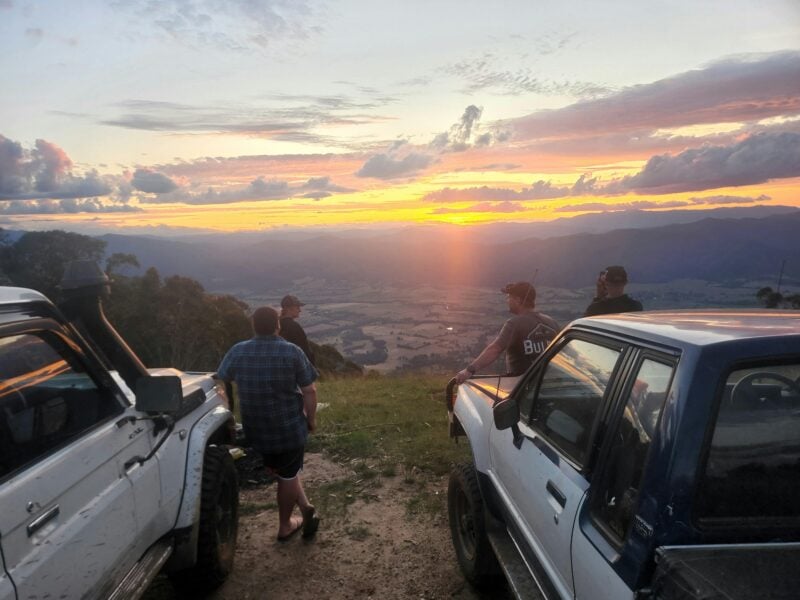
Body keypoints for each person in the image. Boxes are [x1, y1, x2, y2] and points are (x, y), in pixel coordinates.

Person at [217, 306, 320, 542]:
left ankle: (305, 507)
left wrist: (229, 415)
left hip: (255, 429)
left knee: (287, 470)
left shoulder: (238, 351)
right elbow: (309, 390)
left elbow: (221, 379)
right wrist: (310, 420)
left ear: (254, 325)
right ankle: (285, 525)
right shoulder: (291, 352)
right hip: (287, 429)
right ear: (278, 325)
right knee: (287, 474)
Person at [455, 282, 559, 384]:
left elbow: (495, 349)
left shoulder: (514, 323)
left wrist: (469, 370)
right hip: (550, 387)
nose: (507, 300)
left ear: (518, 300)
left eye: (509, 297)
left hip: (523, 390)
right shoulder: (552, 322)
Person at [279, 294, 316, 366]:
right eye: (297, 307)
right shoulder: (294, 327)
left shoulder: (277, 325)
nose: (300, 310)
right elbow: (304, 350)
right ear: (289, 308)